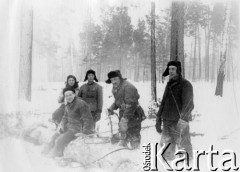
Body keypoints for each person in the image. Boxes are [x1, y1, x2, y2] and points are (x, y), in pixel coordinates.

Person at [155, 61, 194, 161]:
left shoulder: (185, 84)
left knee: (184, 149)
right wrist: (158, 118)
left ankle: (187, 168)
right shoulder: (169, 84)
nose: (171, 71)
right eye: (169, 69)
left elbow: (188, 104)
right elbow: (163, 102)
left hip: (179, 122)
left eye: (173, 69)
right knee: (166, 149)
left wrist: (183, 121)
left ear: (178, 70)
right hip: (167, 122)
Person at [43, 87, 94, 157]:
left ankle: (56, 157)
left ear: (74, 94)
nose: (68, 97)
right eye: (66, 96)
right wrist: (62, 126)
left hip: (77, 130)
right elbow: (65, 117)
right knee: (54, 136)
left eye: (70, 95)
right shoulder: (68, 104)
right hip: (69, 127)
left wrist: (85, 133)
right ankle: (44, 153)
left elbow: (88, 119)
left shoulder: (81, 104)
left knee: (59, 140)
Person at [106, 70, 145, 149]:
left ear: (120, 78)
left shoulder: (128, 87)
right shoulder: (116, 88)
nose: (113, 82)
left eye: (115, 79)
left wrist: (125, 118)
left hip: (134, 114)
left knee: (134, 134)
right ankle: (124, 151)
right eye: (112, 80)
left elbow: (131, 104)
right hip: (124, 113)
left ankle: (135, 152)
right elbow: (118, 101)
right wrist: (112, 108)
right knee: (124, 133)